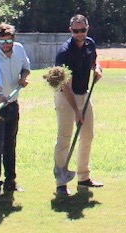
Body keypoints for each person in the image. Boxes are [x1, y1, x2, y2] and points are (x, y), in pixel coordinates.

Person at [54, 14, 103, 195]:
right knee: (65, 137)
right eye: (76, 31)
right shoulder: (64, 52)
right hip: (66, 96)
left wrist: (97, 69)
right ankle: (61, 182)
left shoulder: (90, 44)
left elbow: (94, 62)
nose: (80, 34)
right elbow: (65, 85)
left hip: (84, 94)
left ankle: (83, 177)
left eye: (82, 30)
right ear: (70, 31)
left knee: (87, 135)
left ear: (87, 28)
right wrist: (76, 111)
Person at [0, 23, 30, 198]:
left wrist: (23, 79)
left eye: (9, 40)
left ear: (13, 39)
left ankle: (11, 182)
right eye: (2, 41)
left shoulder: (19, 49)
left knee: (10, 144)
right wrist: (1, 96)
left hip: (13, 104)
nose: (6, 44)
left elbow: (26, 67)